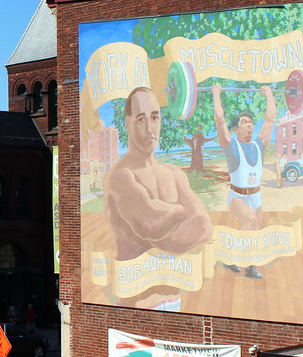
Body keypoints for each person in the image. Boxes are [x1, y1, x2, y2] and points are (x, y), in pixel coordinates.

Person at [103, 87, 213, 260]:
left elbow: (203, 225)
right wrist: (181, 212)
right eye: (141, 119)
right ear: (127, 124)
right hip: (134, 280)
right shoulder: (121, 176)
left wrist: (154, 236)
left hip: (177, 281)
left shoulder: (173, 172)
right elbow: (149, 224)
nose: (149, 128)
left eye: (155, 117)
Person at [212, 83, 277, 279]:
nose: (249, 124)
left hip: (255, 196)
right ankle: (245, 264)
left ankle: (241, 262)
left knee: (254, 230)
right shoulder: (232, 147)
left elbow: (270, 118)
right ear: (236, 129)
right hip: (237, 197)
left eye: (250, 122)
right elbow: (219, 120)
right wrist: (216, 94)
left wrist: (269, 94)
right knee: (249, 220)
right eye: (244, 122)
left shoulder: (259, 145)